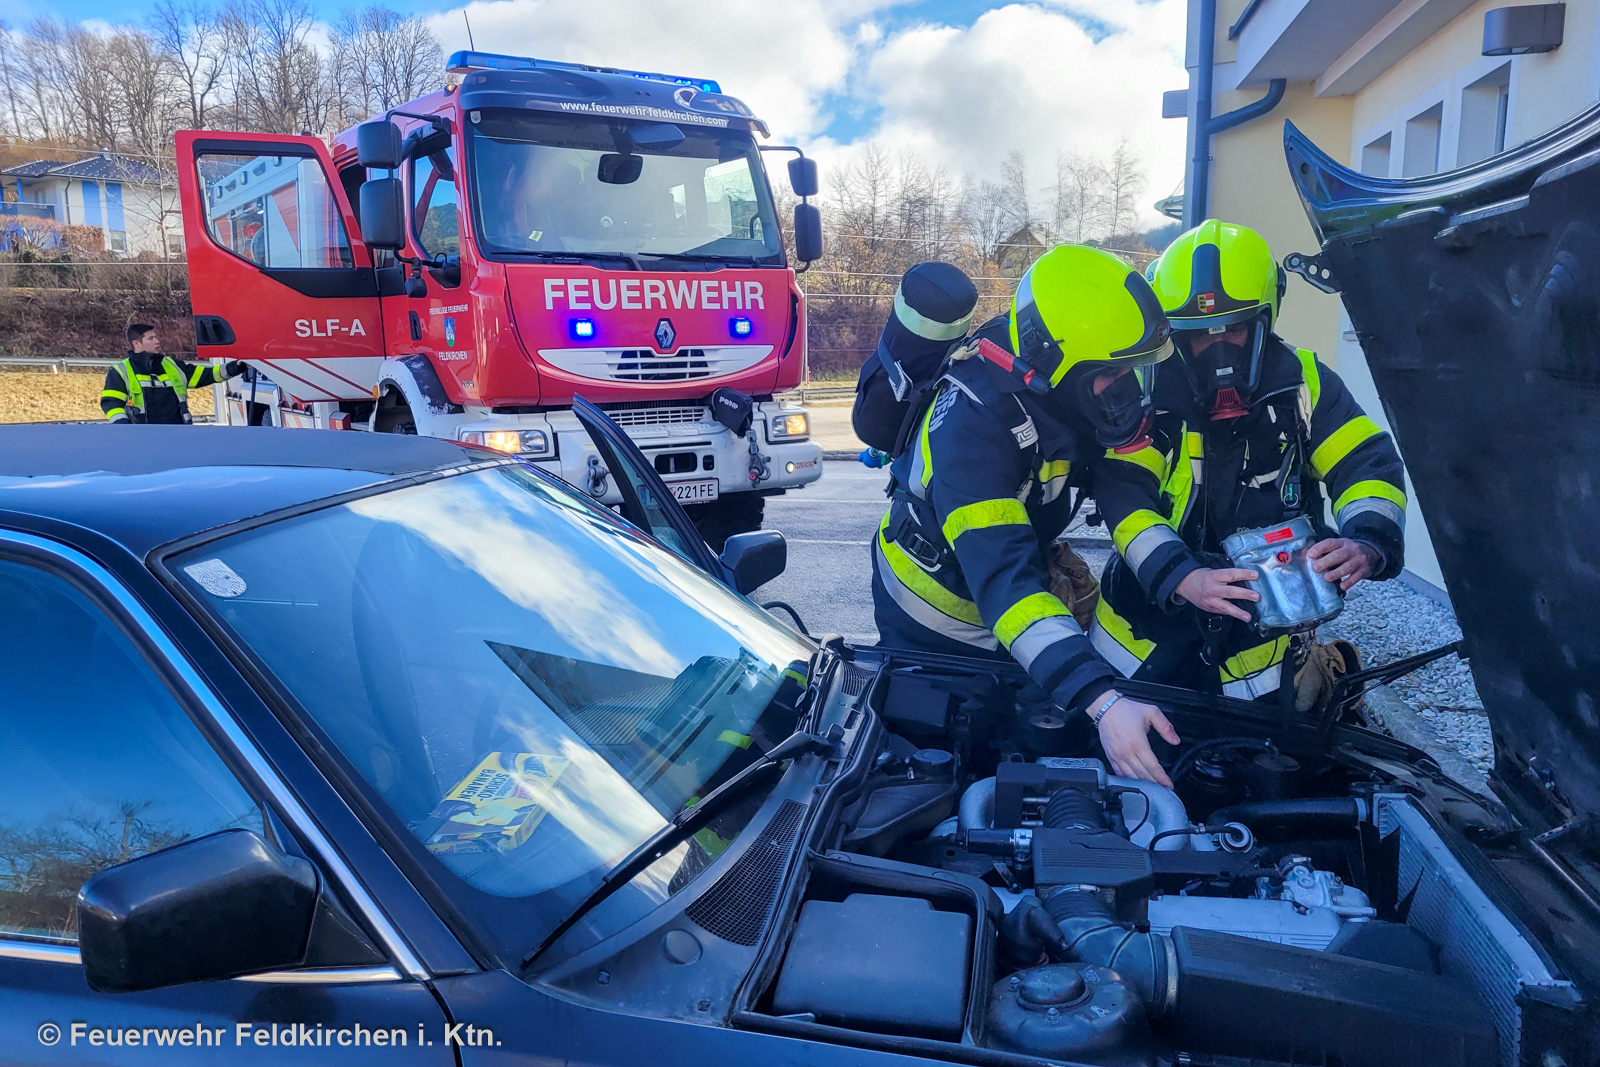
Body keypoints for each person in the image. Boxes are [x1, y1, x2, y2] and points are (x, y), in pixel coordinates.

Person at [871, 244, 1185, 786]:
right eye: (1113, 375)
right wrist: (1102, 701)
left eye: (1134, 372)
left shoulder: (1066, 387)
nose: (1129, 391)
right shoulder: (973, 427)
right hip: (935, 608)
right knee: (943, 750)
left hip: (1008, 579)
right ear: (1054, 363)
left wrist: (1181, 574)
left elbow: (1119, 479)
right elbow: (1005, 584)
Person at [1090, 220, 1408, 701]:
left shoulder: (1305, 383)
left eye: (1235, 330)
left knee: (1266, 767)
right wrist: (1180, 577)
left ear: (1267, 316)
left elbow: (1366, 463)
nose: (1217, 351)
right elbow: (1124, 497)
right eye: (1197, 336)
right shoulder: (1149, 392)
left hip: (1261, 650)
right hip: (1139, 637)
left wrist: (1366, 542)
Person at [101, 323, 245, 425]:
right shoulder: (121, 371)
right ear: (136, 344)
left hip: (178, 436)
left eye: (156, 337)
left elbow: (207, 374)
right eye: (151, 338)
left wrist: (237, 367)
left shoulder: (172, 365)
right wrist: (124, 428)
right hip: (143, 439)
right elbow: (111, 404)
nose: (157, 341)